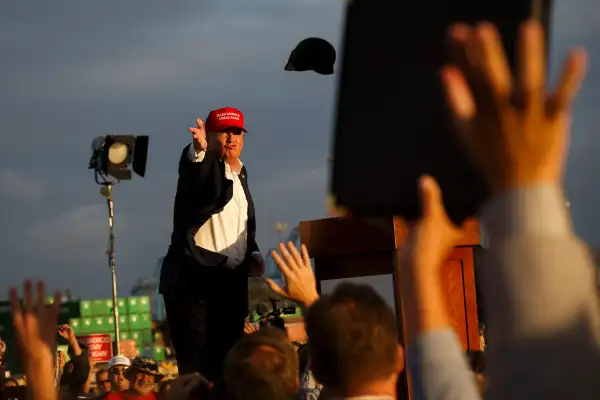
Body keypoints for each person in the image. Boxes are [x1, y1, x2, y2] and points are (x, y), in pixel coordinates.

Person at [159, 106, 265, 383]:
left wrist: (252, 252)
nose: (231, 138)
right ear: (211, 135)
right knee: (198, 374)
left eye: (237, 132)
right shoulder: (204, 166)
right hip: (195, 285)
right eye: (223, 132)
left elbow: (242, 225)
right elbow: (197, 174)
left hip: (230, 286)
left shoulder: (241, 174)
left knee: (227, 369)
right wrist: (199, 151)